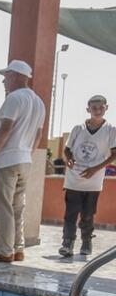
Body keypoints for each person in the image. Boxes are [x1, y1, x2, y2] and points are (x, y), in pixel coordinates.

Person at [0, 60, 45, 263]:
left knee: (3, 207)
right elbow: (38, 135)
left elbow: (5, 130)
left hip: (6, 161)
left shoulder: (14, 98)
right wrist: (27, 155)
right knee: (17, 208)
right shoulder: (38, 102)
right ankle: (18, 249)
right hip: (24, 160)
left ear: (15, 75)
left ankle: (5, 251)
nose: (4, 81)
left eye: (6, 76)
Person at [59, 95, 116, 257]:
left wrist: (95, 169)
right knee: (70, 213)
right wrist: (68, 159)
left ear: (106, 108)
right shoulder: (79, 128)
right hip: (74, 179)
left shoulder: (111, 130)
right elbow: (67, 149)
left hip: (94, 181)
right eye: (94, 107)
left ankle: (86, 242)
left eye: (101, 107)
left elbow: (113, 154)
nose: (97, 110)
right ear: (88, 109)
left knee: (88, 214)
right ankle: (67, 243)